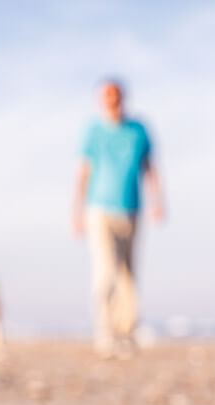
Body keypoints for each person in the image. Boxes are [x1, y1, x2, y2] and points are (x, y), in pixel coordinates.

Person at [73, 79, 163, 358]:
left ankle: (126, 333)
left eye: (116, 95)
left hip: (131, 208)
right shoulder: (93, 131)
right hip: (99, 209)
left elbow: (149, 167)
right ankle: (105, 332)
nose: (112, 101)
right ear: (101, 100)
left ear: (123, 98)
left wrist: (157, 201)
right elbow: (83, 172)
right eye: (107, 96)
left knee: (128, 274)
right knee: (106, 271)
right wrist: (77, 211)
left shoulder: (138, 130)